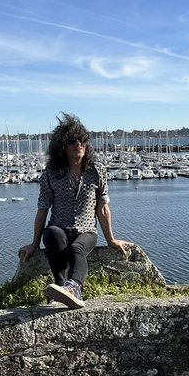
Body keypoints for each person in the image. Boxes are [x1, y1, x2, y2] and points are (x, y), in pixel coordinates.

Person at [18, 113, 131, 308]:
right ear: (62, 146)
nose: (77, 144)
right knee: (52, 234)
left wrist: (111, 239)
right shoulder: (51, 174)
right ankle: (61, 288)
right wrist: (34, 244)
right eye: (72, 141)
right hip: (59, 227)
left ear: (87, 145)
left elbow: (102, 207)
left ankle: (74, 288)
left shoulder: (97, 171)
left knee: (77, 248)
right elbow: (42, 209)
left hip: (86, 230)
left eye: (82, 140)